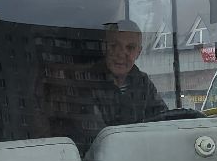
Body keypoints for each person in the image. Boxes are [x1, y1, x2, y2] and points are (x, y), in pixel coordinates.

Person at [39, 19, 171, 151]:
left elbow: (162, 120)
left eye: (130, 48)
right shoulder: (84, 81)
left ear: (138, 52)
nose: (121, 54)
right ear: (104, 47)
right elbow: (92, 136)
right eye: (114, 46)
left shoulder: (143, 83)